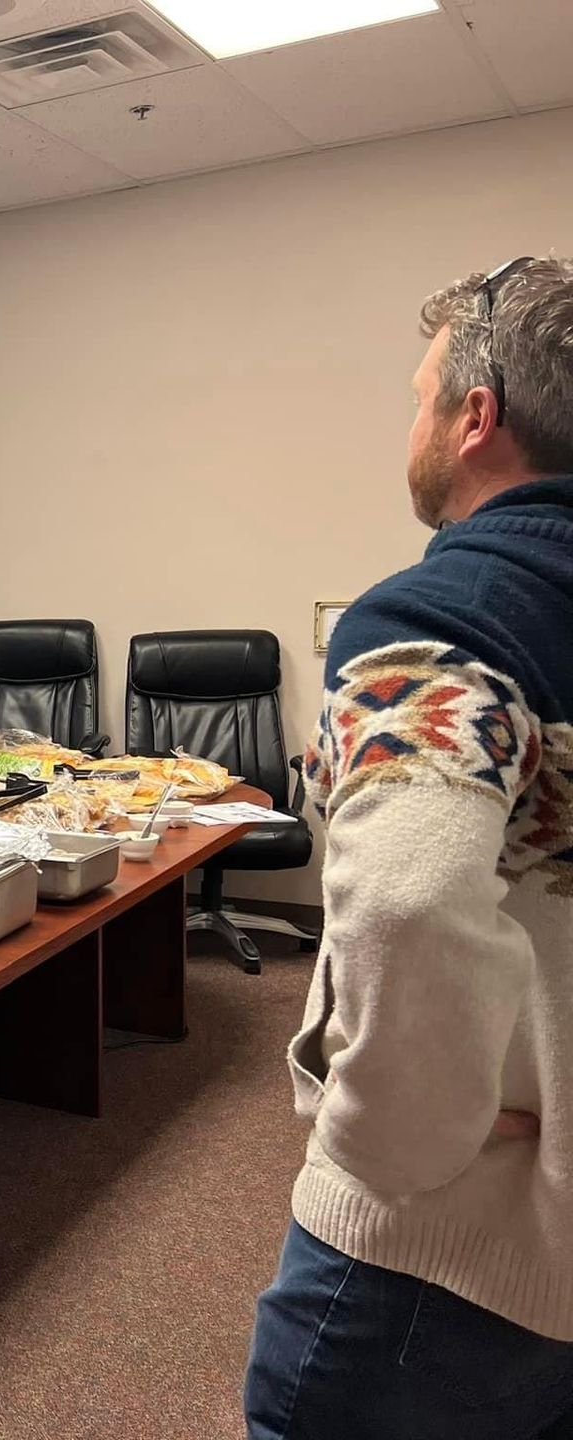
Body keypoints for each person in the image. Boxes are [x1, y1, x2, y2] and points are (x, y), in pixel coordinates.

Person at [244, 258, 573, 1438]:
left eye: (419, 396)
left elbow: (409, 902)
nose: (413, 424)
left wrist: (394, 1141)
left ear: (476, 416)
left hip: (447, 1253)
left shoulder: (442, 619)